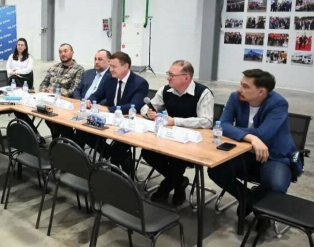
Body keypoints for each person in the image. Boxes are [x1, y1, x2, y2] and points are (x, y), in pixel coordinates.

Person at [207, 69, 299, 220]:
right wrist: (251, 137)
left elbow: (263, 134)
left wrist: (238, 132)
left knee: (276, 185)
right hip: (244, 152)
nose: (239, 89)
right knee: (216, 169)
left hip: (274, 155)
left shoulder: (278, 104)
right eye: (240, 84)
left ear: (261, 92)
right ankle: (247, 198)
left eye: (245, 86)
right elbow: (221, 125)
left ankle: (263, 215)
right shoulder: (235, 98)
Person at [140, 60, 214, 205]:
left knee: (177, 160)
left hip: (192, 141)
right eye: (168, 74)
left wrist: (175, 121)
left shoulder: (203, 93)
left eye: (172, 75)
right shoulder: (165, 90)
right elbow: (145, 107)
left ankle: (165, 188)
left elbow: (207, 121)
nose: (168, 78)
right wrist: (148, 113)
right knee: (147, 153)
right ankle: (179, 182)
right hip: (169, 137)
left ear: (186, 78)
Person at [74, 52, 149, 172]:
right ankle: (112, 156)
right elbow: (97, 95)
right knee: (83, 132)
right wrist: (90, 101)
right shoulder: (110, 79)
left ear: (126, 66)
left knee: (119, 147)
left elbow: (135, 105)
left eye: (114, 67)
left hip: (128, 123)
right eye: (110, 66)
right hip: (110, 120)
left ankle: (119, 170)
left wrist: (109, 109)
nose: (111, 70)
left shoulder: (140, 83)